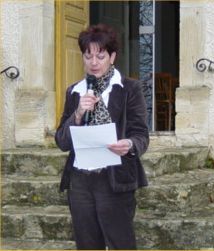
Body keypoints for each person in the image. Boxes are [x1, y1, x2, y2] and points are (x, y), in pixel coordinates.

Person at [55, 23, 149, 250]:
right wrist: (77, 113)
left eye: (100, 55)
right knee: (87, 245)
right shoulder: (74, 91)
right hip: (80, 182)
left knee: (121, 243)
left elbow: (141, 135)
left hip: (115, 178)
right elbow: (62, 141)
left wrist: (129, 144)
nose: (94, 63)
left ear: (112, 56)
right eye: (88, 56)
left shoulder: (129, 88)